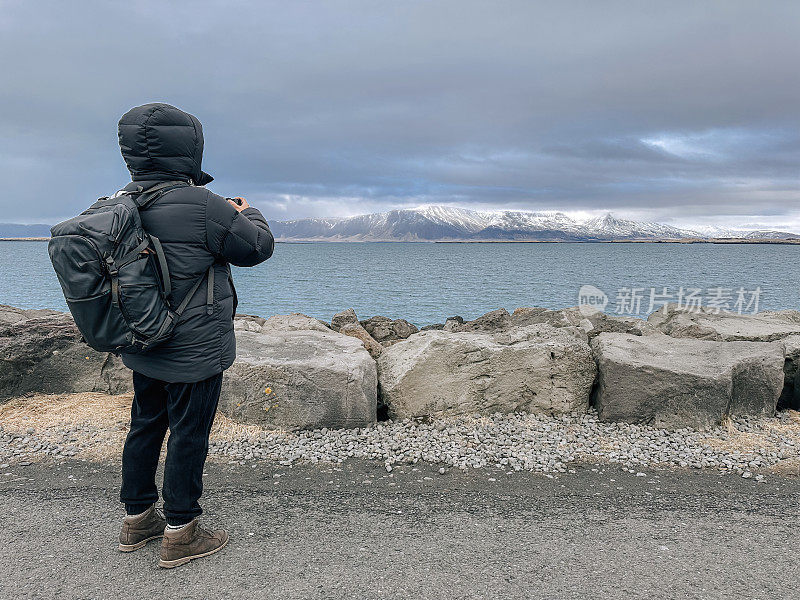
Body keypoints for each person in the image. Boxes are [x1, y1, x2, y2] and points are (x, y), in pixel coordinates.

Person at [114, 103, 274, 568]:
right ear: (188, 148)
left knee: (145, 426)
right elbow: (256, 248)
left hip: (144, 342)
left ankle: (137, 518)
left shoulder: (121, 202)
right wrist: (250, 211)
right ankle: (181, 531)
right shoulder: (204, 205)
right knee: (189, 435)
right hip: (194, 350)